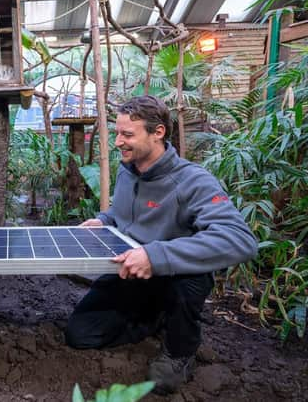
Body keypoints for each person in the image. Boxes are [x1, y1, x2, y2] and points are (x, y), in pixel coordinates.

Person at [64, 95, 258, 395]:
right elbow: (122, 215)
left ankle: (181, 347)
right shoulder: (128, 171)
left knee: (163, 382)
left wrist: (156, 255)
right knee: (80, 334)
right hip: (132, 272)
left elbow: (239, 239)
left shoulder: (193, 181)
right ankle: (154, 317)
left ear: (158, 133)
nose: (118, 142)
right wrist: (104, 221)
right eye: (117, 133)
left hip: (175, 278)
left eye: (127, 134)